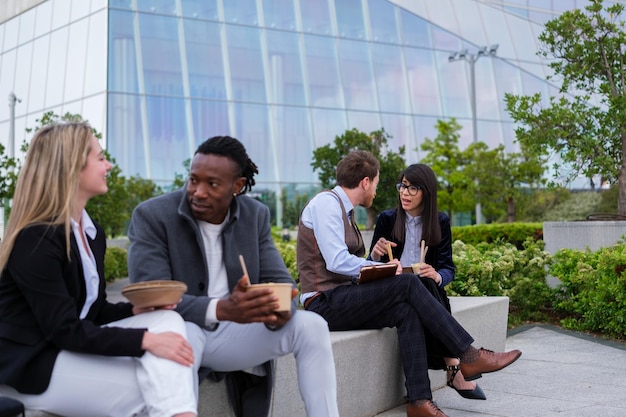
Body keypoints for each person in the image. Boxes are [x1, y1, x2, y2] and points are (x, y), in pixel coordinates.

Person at [297, 150, 521, 417]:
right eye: (379, 184)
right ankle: (468, 356)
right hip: (322, 302)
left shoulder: (344, 211)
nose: (379, 192)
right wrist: (383, 266)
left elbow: (347, 264)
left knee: (407, 310)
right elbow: (336, 261)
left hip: (341, 296)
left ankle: (419, 402)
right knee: (408, 282)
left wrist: (381, 269)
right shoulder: (326, 204)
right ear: (366, 182)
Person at [127, 135, 339, 417]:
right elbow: (151, 297)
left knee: (311, 325)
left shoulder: (255, 215)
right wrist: (221, 309)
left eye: (212, 184)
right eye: (193, 180)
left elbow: (283, 284)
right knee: (181, 333)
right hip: (181, 327)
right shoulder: (153, 215)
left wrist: (280, 310)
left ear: (237, 186)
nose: (198, 191)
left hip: (235, 333)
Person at [0, 122, 197, 417]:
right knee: (157, 387)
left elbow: (94, 310)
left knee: (166, 318)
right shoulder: (36, 239)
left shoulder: (91, 232)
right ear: (72, 167)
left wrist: (135, 313)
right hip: (30, 365)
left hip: (64, 349)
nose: (108, 165)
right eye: (100, 157)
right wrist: (146, 340)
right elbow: (62, 328)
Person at [368, 163, 485, 400]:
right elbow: (369, 266)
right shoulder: (387, 219)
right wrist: (376, 255)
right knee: (416, 288)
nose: (404, 193)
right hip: (394, 289)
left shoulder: (439, 222)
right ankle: (455, 364)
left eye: (412, 188)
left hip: (428, 290)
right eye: (402, 186)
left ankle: (424, 392)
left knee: (426, 284)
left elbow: (447, 268)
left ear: (426, 192)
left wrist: (438, 275)